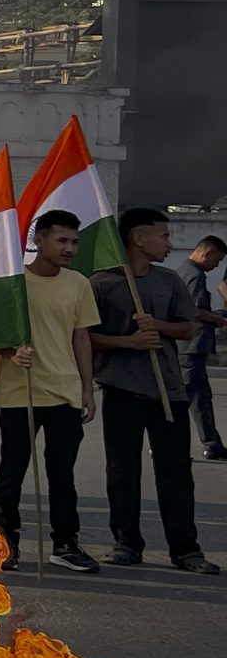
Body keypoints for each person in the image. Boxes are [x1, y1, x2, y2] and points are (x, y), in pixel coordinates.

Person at [89, 207, 213, 573]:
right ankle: (126, 542)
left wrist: (156, 325)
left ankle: (186, 549)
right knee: (122, 471)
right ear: (138, 238)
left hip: (168, 392)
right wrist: (128, 341)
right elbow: (84, 338)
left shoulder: (169, 281)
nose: (169, 244)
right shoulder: (102, 284)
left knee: (176, 473)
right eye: (163, 236)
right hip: (122, 390)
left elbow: (186, 329)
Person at [0, 210, 103, 573]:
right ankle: (4, 542)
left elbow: (81, 337)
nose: (70, 248)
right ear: (39, 241)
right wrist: (11, 351)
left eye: (74, 242)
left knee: (62, 473)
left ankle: (65, 543)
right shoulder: (13, 283)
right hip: (21, 390)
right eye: (62, 241)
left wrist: (87, 388)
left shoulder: (78, 284)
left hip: (65, 392)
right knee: (13, 470)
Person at [176, 234, 227, 461]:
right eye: (217, 260)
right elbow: (195, 311)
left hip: (185, 345)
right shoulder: (195, 275)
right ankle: (207, 443)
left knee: (196, 396)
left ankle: (211, 442)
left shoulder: (181, 271)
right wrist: (217, 319)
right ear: (208, 253)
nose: (216, 266)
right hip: (191, 345)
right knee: (192, 397)